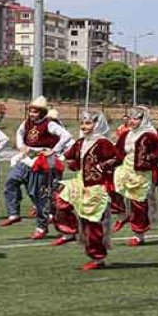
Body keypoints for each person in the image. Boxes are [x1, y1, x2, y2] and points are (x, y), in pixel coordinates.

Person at [52, 110, 121, 269]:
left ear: (97, 125)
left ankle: (98, 259)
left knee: (92, 224)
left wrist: (101, 167)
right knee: (59, 201)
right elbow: (70, 155)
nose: (84, 126)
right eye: (82, 123)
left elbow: (117, 158)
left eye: (88, 123)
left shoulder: (103, 142)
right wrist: (71, 161)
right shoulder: (82, 142)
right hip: (80, 182)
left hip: (96, 187)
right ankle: (69, 232)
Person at [2, 96, 72, 239]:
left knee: (38, 195)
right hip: (27, 159)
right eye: (31, 111)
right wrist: (21, 146)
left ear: (41, 112)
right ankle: (13, 213)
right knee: (11, 180)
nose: (32, 114)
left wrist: (54, 150)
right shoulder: (27, 122)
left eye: (35, 112)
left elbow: (66, 135)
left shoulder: (49, 124)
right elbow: (19, 132)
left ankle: (42, 227)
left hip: (41, 161)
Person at [113, 106, 158, 247]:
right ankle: (123, 215)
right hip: (125, 169)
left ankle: (139, 235)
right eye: (131, 118)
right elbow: (117, 152)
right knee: (111, 188)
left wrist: (148, 158)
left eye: (136, 118)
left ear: (143, 119)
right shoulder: (126, 134)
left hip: (141, 173)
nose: (132, 121)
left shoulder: (149, 134)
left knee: (138, 203)